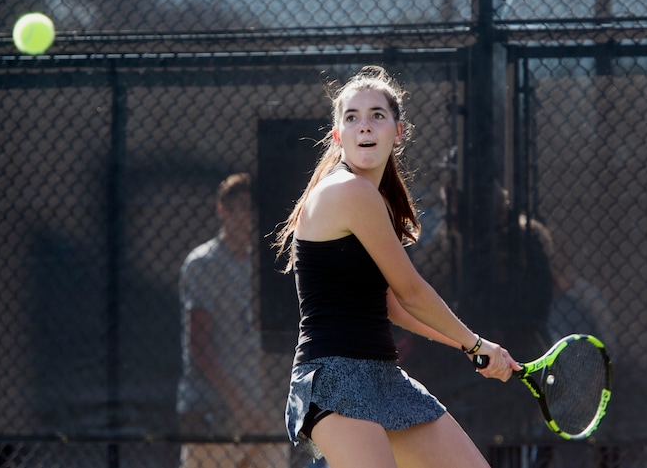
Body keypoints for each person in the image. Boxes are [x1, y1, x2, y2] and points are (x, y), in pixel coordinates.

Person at [273, 65, 520, 468]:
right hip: (333, 381)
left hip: (385, 378)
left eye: (376, 116)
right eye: (351, 118)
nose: (364, 126)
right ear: (338, 136)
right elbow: (413, 291)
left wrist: (467, 348)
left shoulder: (378, 200)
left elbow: (394, 306)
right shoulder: (349, 192)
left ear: (398, 131)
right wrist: (478, 344)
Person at [177, 173, 286, 468]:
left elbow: (259, 342)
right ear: (222, 210)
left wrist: (260, 403)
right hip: (211, 408)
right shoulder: (203, 263)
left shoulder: (263, 265)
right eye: (238, 207)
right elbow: (199, 346)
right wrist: (239, 406)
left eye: (251, 209)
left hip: (258, 410)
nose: (245, 217)